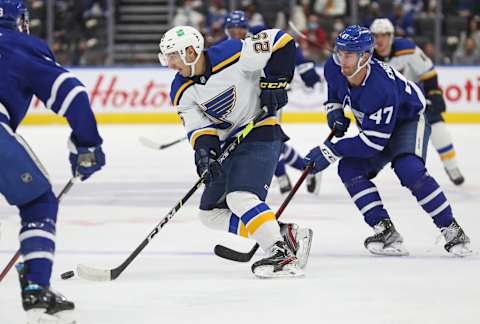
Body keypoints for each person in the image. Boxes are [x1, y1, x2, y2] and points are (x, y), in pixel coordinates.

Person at [158, 25, 313, 278]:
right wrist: (205, 156)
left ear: (190, 51)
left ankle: (279, 253)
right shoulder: (180, 90)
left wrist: (276, 82)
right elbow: (199, 128)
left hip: (260, 129)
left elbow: (282, 40)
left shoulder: (233, 52)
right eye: (168, 58)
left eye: (173, 56)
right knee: (210, 214)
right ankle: (284, 233)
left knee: (240, 197)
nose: (171, 64)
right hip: (229, 144)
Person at [305, 25, 471, 257]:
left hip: (408, 122)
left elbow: (373, 144)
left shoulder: (380, 88)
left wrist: (331, 150)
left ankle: (452, 229)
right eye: (340, 52)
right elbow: (335, 88)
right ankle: (384, 229)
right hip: (378, 128)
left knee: (409, 169)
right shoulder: (335, 66)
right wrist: (333, 110)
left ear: (365, 57)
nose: (342, 59)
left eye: (349, 54)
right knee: (350, 168)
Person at [0, 1, 105, 323]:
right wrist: (87, 145)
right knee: (37, 202)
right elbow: (72, 94)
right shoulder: (20, 44)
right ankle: (36, 288)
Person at [223, 10, 324, 194]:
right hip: (246, 102)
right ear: (226, 30)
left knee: (267, 139)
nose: (236, 33)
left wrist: (308, 75)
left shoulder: (259, 35)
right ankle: (305, 168)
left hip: (270, 97)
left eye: (240, 28)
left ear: (247, 28)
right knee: (264, 141)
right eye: (232, 29)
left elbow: (287, 46)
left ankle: (284, 175)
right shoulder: (223, 48)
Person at [370, 18, 465, 185]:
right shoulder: (366, 55)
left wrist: (434, 94)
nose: (380, 40)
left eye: (384, 35)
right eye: (376, 36)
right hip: (385, 106)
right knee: (377, 140)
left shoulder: (407, 49)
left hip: (414, 102)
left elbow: (428, 73)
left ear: (391, 36)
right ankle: (369, 166)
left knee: (437, 126)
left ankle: (452, 166)